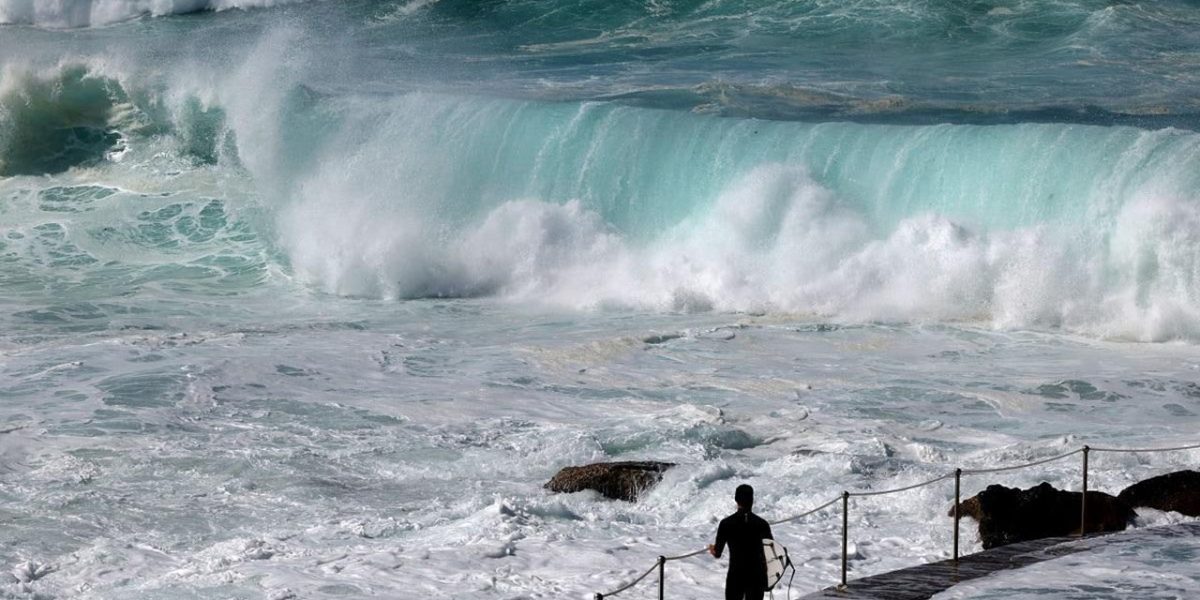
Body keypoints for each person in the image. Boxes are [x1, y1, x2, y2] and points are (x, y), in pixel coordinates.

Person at [708, 484, 773, 600]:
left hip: (736, 575)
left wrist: (711, 548)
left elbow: (717, 553)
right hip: (756, 576)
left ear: (736, 500)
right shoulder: (762, 524)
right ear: (752, 500)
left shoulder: (726, 523)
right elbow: (771, 552)